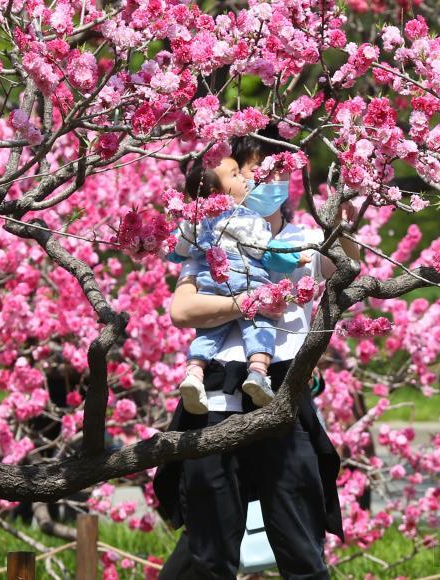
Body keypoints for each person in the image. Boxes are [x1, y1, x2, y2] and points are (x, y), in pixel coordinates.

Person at [153, 127, 362, 579]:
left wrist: (342, 222)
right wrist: (250, 301)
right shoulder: (209, 241)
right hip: (213, 400)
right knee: (210, 551)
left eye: (280, 170)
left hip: (280, 394)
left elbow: (348, 267)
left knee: (300, 544)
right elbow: (183, 310)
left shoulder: (304, 239)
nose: (268, 179)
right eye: (256, 169)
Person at [167, 155, 313, 414]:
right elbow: (264, 249)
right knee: (260, 325)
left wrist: (160, 247)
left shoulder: (195, 220)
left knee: (208, 333)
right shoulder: (246, 217)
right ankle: (257, 372)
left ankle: (194, 373)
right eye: (235, 175)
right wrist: (294, 257)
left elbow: (177, 248)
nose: (244, 179)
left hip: (211, 282)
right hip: (246, 278)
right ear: (216, 192)